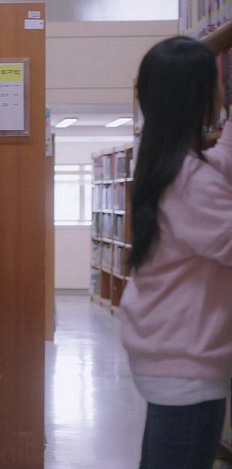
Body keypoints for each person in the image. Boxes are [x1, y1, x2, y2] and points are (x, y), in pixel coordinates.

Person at [121, 35, 232, 469]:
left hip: (167, 356)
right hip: (188, 368)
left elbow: (218, 164)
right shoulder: (191, 182)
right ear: (199, 99)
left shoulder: (163, 164)